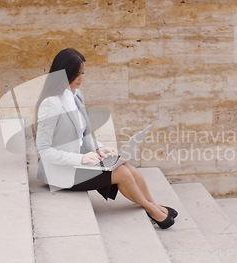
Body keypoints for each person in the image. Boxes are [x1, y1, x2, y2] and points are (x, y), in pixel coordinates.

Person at [35, 48, 177, 229]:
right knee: (123, 173)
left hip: (80, 161)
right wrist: (81, 158)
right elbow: (44, 150)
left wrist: (98, 148)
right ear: (63, 72)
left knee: (128, 167)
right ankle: (152, 210)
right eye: (75, 74)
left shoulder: (76, 96)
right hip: (61, 172)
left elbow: (83, 134)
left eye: (82, 73)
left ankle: (156, 206)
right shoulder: (50, 103)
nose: (80, 79)